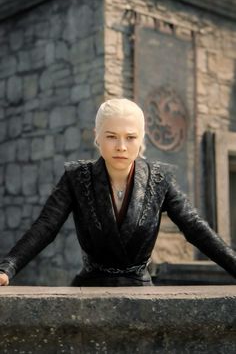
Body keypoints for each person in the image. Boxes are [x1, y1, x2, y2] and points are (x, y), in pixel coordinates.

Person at [0, 98, 236, 286]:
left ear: (141, 138)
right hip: (89, 289)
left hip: (141, 291)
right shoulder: (76, 177)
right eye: (111, 136)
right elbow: (45, 227)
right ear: (97, 136)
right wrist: (8, 267)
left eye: (130, 137)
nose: (121, 146)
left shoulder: (160, 178)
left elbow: (194, 227)